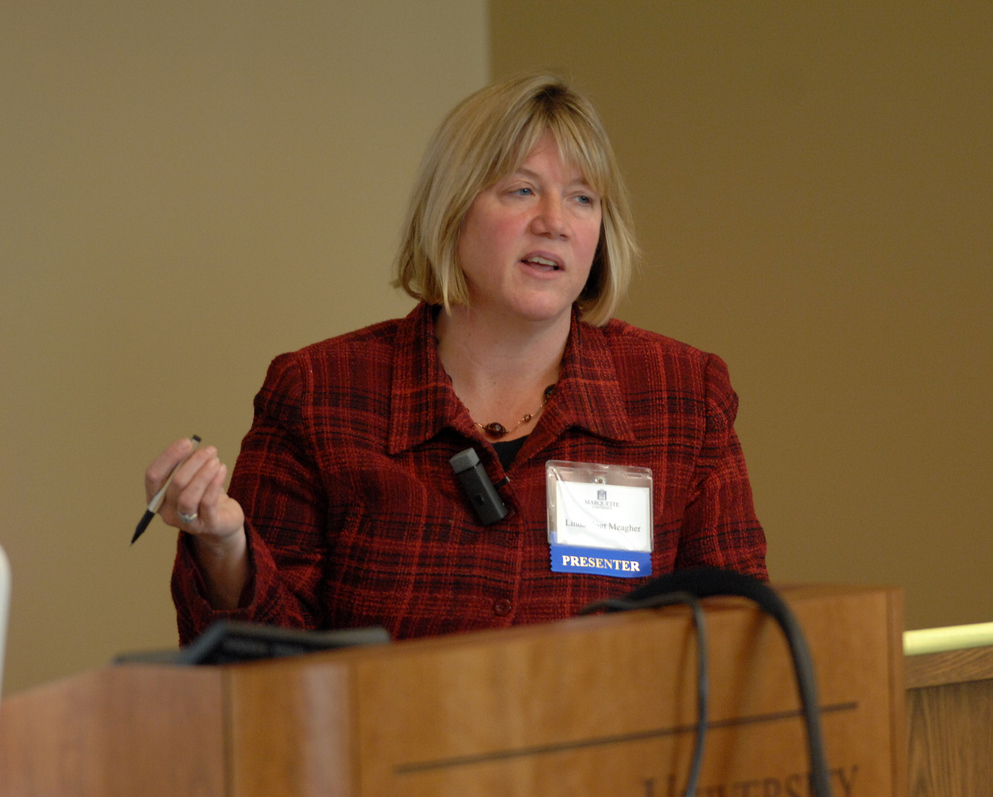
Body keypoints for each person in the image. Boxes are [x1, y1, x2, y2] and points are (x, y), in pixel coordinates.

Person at [146, 74, 767, 646]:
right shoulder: (319, 393)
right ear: (453, 208)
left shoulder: (681, 394)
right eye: (522, 190)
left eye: (583, 198)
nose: (555, 222)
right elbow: (264, 671)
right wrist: (225, 548)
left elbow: (741, 639)